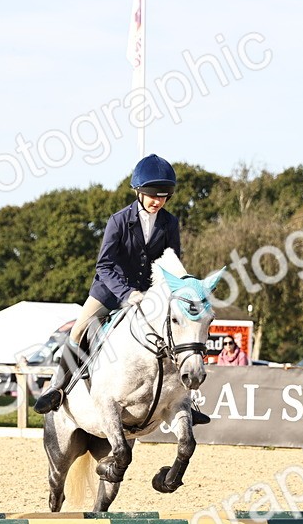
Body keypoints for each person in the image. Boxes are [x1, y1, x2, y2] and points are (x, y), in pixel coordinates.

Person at [34, 154, 208, 424]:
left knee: (175, 330)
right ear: (139, 192)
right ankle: (57, 388)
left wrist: (178, 287)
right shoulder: (118, 221)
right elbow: (104, 265)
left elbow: (171, 262)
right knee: (79, 329)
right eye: (152, 195)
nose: (158, 201)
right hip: (110, 290)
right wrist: (127, 294)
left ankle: (185, 400)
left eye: (163, 197)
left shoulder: (170, 223)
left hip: (150, 294)